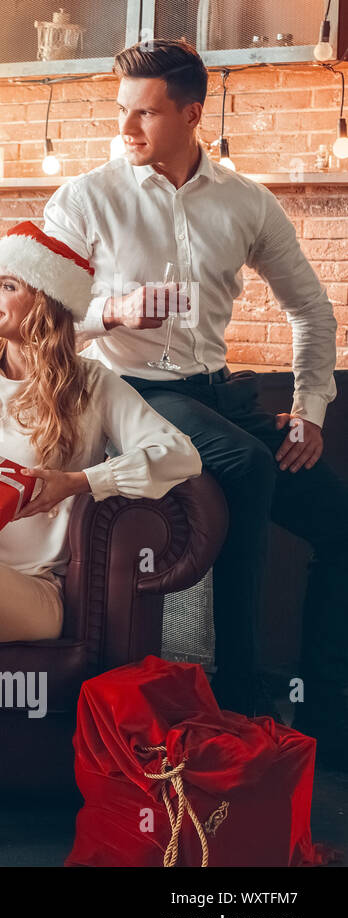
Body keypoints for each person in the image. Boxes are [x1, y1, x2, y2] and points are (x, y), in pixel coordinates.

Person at [44, 39, 348, 746]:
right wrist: (111, 314)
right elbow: (39, 322)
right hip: (131, 393)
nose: (126, 130)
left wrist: (310, 409)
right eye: (122, 111)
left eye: (145, 114)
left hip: (215, 396)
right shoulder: (87, 199)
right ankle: (240, 685)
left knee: (340, 523)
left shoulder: (246, 203)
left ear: (191, 114)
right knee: (244, 463)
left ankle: (329, 713)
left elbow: (312, 309)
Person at [0, 222, 201, 856]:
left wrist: (81, 480)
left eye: (8, 285)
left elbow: (179, 455)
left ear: (47, 303)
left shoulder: (93, 385)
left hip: (34, 592)